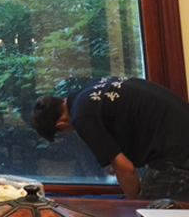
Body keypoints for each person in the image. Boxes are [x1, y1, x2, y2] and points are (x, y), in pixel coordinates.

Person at [31, 76, 189, 201]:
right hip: (179, 138)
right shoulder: (92, 88)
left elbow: (126, 169)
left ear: (61, 125)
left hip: (177, 155)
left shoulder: (81, 117)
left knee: (144, 210)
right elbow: (128, 118)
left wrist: (132, 204)